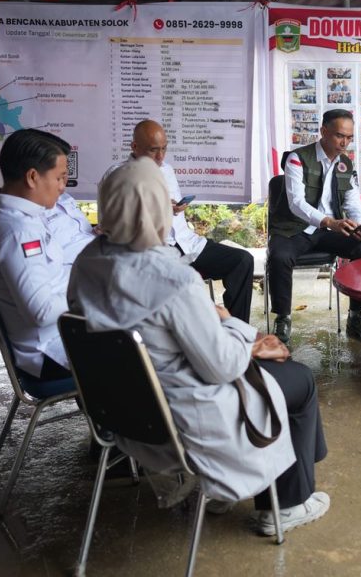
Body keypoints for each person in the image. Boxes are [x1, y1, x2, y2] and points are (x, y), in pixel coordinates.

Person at [68, 157, 329, 535]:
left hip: (124, 414)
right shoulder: (173, 277)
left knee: (275, 371)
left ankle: (270, 478)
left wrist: (222, 323)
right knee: (299, 379)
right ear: (159, 209)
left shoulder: (86, 262)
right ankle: (286, 504)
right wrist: (248, 340)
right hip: (182, 420)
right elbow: (221, 367)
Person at [107, 120, 256, 323]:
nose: (160, 157)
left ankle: (238, 333)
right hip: (152, 252)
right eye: (153, 150)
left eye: (164, 149)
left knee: (242, 261)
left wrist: (175, 208)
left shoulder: (166, 169)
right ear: (134, 147)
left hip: (187, 243)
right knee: (183, 288)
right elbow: (114, 225)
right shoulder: (117, 177)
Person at [0, 128, 90, 380]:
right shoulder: (19, 232)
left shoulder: (21, 216)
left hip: (62, 333)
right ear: (32, 177)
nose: (62, 188)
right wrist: (92, 292)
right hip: (51, 348)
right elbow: (41, 311)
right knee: (157, 349)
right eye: (59, 178)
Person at [269, 109, 361, 345]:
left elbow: (352, 199)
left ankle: (357, 315)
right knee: (279, 256)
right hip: (295, 228)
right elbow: (296, 202)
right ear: (323, 132)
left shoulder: (345, 163)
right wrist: (329, 221)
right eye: (340, 135)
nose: (345, 142)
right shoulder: (297, 158)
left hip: (330, 230)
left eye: (350, 137)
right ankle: (283, 317)